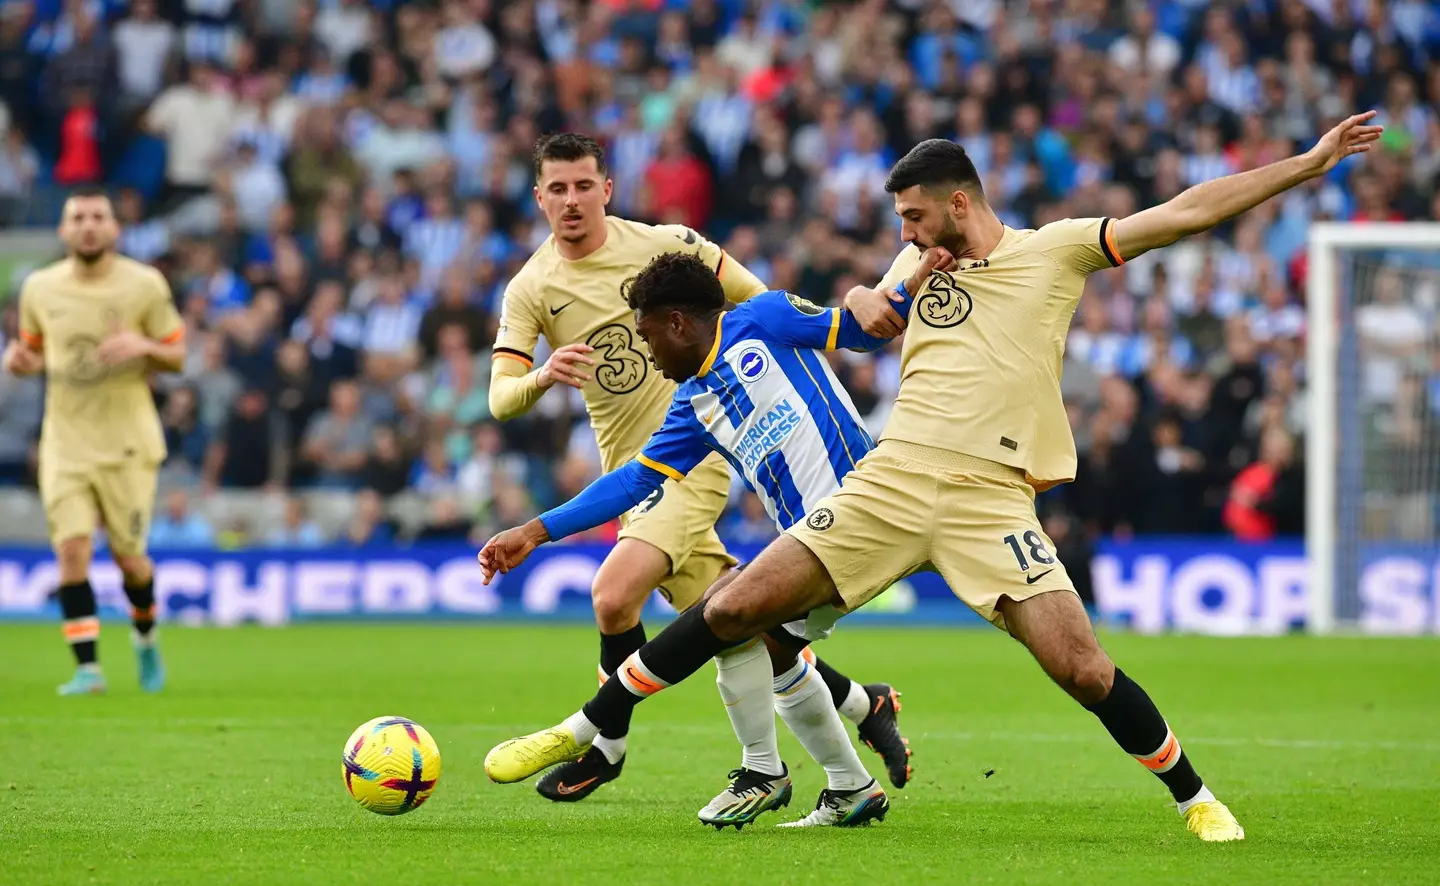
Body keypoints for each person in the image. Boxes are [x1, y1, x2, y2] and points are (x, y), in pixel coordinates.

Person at [485, 113, 1385, 843]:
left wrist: (1304, 165)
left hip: (992, 494)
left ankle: (1195, 798)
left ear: (960, 202)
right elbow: (867, 316)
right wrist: (884, 295)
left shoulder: (1056, 251)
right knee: (732, 610)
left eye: (915, 218)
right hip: (892, 480)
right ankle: (595, 728)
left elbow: (1184, 212)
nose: (905, 236)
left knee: (1078, 665)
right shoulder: (918, 265)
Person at [487, 133, 910, 816]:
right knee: (742, 629)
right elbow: (500, 400)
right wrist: (541, 378)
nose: (570, 200)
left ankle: (605, 738)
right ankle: (854, 731)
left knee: (617, 593)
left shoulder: (674, 252)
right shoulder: (532, 287)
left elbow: (756, 304)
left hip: (707, 461)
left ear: (606, 188)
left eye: (582, 185)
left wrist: (872, 297)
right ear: (538, 197)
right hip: (644, 461)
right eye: (556, 189)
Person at [2, 187, 188, 695]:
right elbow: (35, 352)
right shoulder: (39, 288)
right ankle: (88, 669)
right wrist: (20, 362)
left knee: (131, 560)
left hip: (128, 442)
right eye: (77, 217)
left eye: (97, 217)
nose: (87, 225)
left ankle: (145, 639)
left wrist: (143, 346)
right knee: (72, 551)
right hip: (65, 441)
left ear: (114, 228)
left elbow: (179, 354)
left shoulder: (144, 285)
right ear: (63, 230)